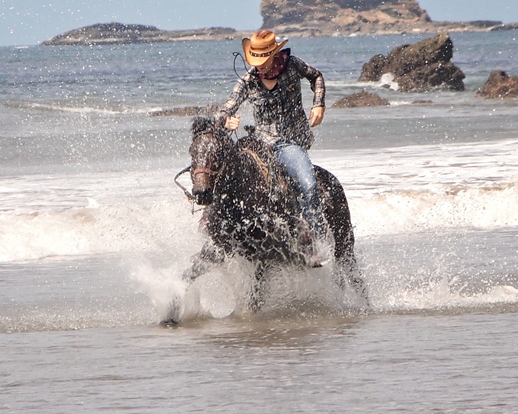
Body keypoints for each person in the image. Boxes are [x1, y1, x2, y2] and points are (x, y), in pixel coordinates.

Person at [216, 29, 327, 258]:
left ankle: (315, 240)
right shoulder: (247, 81)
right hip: (260, 143)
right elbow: (225, 109)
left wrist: (319, 105)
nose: (260, 66)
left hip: (290, 143)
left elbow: (316, 77)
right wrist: (227, 119)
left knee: (308, 186)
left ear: (274, 54)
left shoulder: (292, 65)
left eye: (264, 61)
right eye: (256, 61)